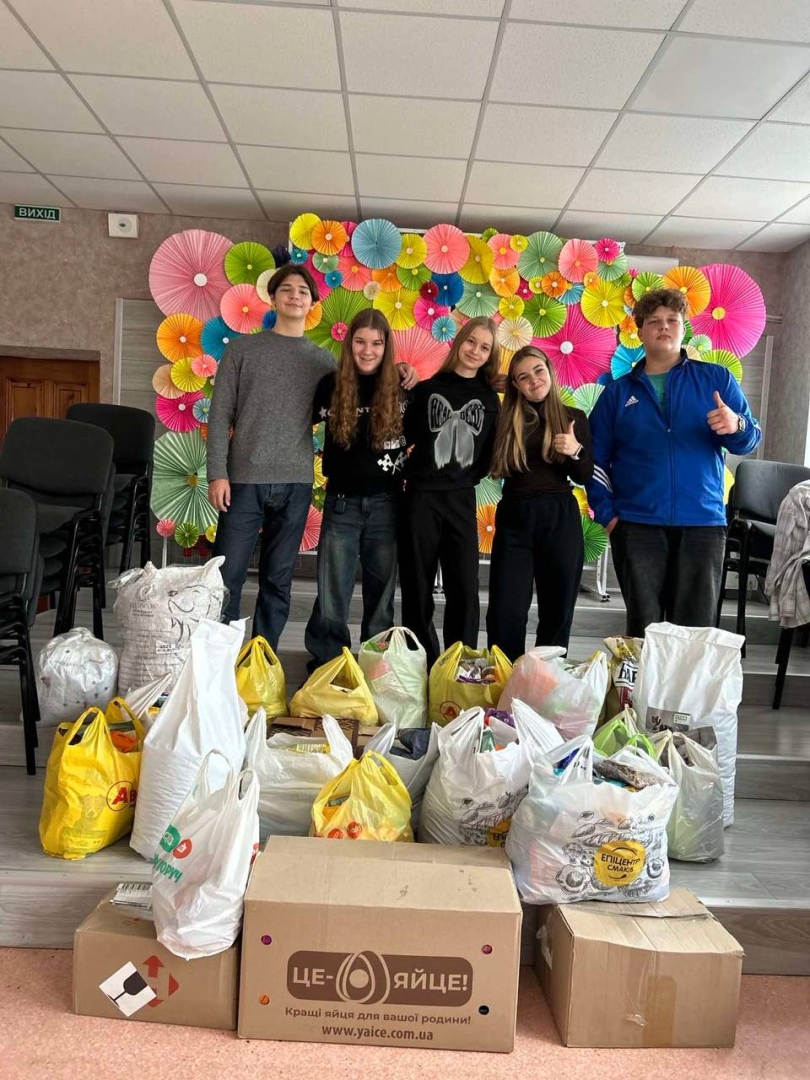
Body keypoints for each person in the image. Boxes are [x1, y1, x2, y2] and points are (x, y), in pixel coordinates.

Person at [207, 263, 416, 649]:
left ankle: (263, 658)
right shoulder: (243, 351)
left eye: (303, 291)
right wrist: (216, 473)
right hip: (243, 480)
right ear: (273, 297)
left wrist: (401, 369)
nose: (294, 296)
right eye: (286, 289)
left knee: (278, 579)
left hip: (296, 483)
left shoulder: (323, 362)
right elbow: (219, 415)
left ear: (312, 302)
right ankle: (218, 658)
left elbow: (368, 381)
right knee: (226, 576)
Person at [586, 287, 762, 637]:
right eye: (653, 321)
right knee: (644, 633)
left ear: (684, 328)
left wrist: (736, 425)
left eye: (672, 320)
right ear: (639, 331)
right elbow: (595, 461)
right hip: (637, 525)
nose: (663, 326)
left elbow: (751, 437)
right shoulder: (618, 393)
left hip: (703, 524)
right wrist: (609, 516)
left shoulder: (716, 379)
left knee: (695, 635)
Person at [304, 309, 408, 670]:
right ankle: (328, 663)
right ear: (349, 344)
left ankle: (374, 665)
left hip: (388, 504)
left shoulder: (402, 389)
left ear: (386, 346)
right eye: (360, 342)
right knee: (332, 590)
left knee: (382, 595)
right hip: (342, 503)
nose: (368, 350)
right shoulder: (330, 386)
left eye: (376, 343)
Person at [398, 316, 501, 667]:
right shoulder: (426, 390)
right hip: (420, 498)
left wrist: (464, 476)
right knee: (417, 586)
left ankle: (458, 664)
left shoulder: (490, 399)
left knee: (465, 588)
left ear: (489, 356)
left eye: (484, 347)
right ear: (459, 342)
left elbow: (489, 454)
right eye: (471, 341)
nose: (475, 351)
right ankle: (421, 662)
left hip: (460, 498)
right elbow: (404, 436)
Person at [486, 346, 593, 660]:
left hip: (560, 515)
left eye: (538, 371)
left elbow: (584, 474)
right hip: (515, 514)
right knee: (505, 610)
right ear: (515, 385)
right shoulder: (505, 419)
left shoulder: (573, 417)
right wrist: (486, 382)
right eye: (523, 377)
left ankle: (547, 679)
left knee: (557, 608)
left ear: (549, 370)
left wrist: (575, 451)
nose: (534, 380)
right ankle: (505, 678)